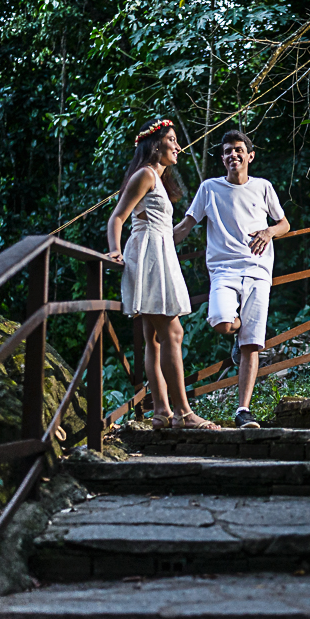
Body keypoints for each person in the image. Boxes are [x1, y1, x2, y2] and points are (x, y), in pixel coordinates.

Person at [106, 118, 221, 430]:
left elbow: (166, 229)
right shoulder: (144, 175)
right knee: (173, 333)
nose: (178, 147)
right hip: (148, 256)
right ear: (155, 144)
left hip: (161, 253)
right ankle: (183, 413)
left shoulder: (158, 178)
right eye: (172, 140)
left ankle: (161, 411)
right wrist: (114, 249)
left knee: (154, 338)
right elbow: (118, 217)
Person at [173, 130, 290, 429]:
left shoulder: (263, 187)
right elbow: (186, 226)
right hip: (223, 271)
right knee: (222, 323)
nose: (232, 155)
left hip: (259, 271)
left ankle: (243, 411)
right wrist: (151, 242)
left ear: (250, 156)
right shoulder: (209, 188)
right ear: (223, 158)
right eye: (227, 151)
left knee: (253, 343)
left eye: (238, 150)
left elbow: (283, 223)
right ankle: (237, 334)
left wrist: (267, 232)